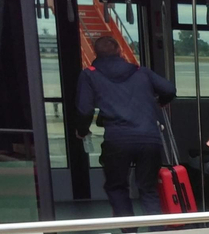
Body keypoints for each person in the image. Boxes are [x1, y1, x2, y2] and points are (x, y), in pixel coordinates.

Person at [74, 36, 176, 220]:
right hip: (149, 138)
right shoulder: (140, 71)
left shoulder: (89, 74)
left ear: (95, 53)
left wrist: (82, 131)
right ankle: (156, 230)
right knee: (148, 188)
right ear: (120, 51)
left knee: (117, 187)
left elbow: (85, 109)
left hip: (117, 139)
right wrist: (160, 102)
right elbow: (169, 89)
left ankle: (129, 230)